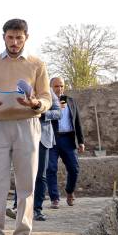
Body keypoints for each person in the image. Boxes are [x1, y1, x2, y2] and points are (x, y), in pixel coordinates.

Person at [0, 19, 52, 235]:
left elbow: (47, 97)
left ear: (26, 37)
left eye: (19, 38)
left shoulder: (37, 64)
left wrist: (36, 103)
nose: (15, 42)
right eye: (10, 37)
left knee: (26, 182)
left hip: (27, 124)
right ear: (4, 37)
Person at [8, 91, 61, 221]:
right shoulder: (20, 90)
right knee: (22, 173)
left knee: (40, 175)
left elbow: (58, 112)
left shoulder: (48, 92)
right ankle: (17, 208)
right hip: (24, 136)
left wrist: (41, 112)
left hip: (43, 139)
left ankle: (37, 210)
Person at [46, 77, 86, 208]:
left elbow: (77, 122)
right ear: (50, 87)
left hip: (68, 139)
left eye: (61, 86)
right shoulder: (47, 102)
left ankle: (69, 191)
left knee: (74, 168)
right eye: (56, 86)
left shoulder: (71, 101)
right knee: (51, 168)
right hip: (52, 139)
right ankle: (54, 198)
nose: (59, 89)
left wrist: (81, 141)